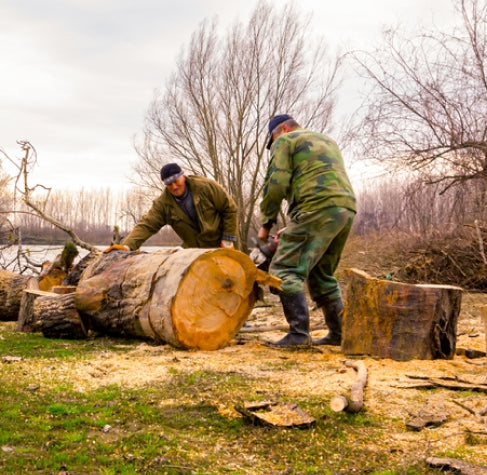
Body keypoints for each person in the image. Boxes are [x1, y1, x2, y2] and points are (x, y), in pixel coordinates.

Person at [258, 114, 356, 347]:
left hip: (315, 207)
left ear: (282, 128)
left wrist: (266, 223)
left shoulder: (285, 140)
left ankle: (299, 335)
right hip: (345, 208)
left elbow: (277, 182)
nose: (274, 145)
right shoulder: (327, 140)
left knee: (284, 269)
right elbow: (317, 179)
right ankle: (340, 334)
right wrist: (295, 225)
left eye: (273, 139)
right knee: (321, 274)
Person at [119, 163, 239, 251]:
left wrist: (227, 240)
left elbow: (229, 209)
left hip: (224, 243)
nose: (174, 186)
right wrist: (127, 246)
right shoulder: (163, 204)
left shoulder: (206, 187)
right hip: (195, 251)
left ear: (183, 176)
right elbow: (147, 225)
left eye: (176, 181)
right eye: (169, 184)